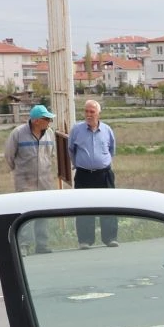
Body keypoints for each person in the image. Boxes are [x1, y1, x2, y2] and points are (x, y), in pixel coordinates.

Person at [6, 104, 59, 253]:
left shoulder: (50, 133)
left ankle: (42, 245)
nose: (49, 122)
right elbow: (9, 156)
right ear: (36, 120)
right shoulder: (18, 133)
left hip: (45, 181)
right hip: (25, 182)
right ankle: (24, 245)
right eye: (47, 119)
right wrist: (19, 173)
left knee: (43, 214)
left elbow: (52, 154)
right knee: (25, 214)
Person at [67, 98, 119, 247]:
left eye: (92, 112)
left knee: (108, 206)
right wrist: (78, 164)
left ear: (99, 114)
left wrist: (102, 162)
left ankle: (110, 238)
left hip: (104, 174)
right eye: (86, 111)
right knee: (84, 207)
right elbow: (71, 149)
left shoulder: (107, 130)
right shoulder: (77, 130)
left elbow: (111, 150)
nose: (89, 115)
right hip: (84, 175)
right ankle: (85, 240)